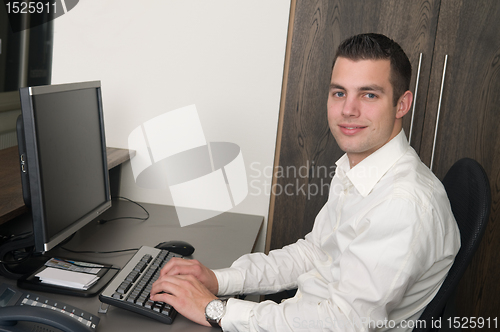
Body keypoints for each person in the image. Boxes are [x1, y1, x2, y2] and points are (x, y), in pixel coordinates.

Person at [150, 33, 460, 331]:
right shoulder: (359, 170)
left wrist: (215, 309)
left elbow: (342, 324)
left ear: (402, 104)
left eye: (369, 94)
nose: (348, 110)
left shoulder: (402, 205)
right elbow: (314, 254)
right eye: (339, 92)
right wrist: (219, 281)